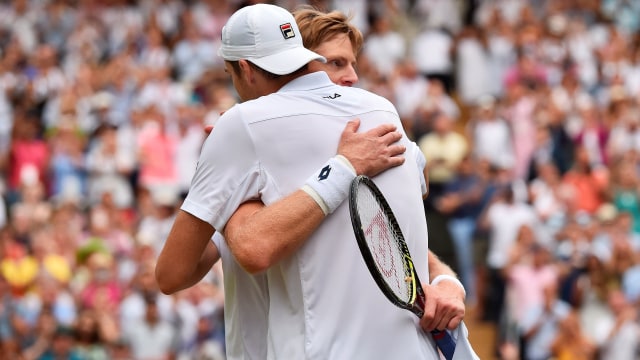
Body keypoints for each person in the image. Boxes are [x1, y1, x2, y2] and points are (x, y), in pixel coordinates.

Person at [156, 4, 471, 359]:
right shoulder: (381, 113)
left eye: (352, 63)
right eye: (335, 63)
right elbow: (219, 255)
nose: (349, 78)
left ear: (242, 69)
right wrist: (236, 176)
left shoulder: (245, 128)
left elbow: (385, 238)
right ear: (306, 62)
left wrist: (446, 282)